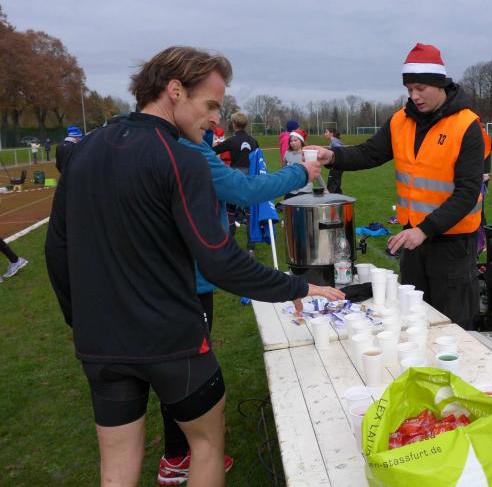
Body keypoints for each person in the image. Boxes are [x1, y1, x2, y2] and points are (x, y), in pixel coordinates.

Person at [44, 45, 343, 487]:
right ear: (175, 90)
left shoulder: (84, 150)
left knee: (116, 468)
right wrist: (299, 288)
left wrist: (81, 320)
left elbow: (57, 251)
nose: (215, 120)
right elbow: (220, 260)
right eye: (210, 105)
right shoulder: (181, 158)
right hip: (170, 339)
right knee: (205, 446)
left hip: (101, 343)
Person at [152, 130, 320, 485]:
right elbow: (242, 190)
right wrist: (301, 172)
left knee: (174, 369)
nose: (215, 120)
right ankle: (180, 455)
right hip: (188, 282)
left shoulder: (167, 143)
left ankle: (179, 448)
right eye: (210, 107)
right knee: (188, 375)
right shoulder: (187, 148)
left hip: (165, 282)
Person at [311, 43, 491, 330]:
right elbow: (370, 152)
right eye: (409, 89)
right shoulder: (400, 120)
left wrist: (424, 230)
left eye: (420, 88)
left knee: (452, 327)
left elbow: (468, 193)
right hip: (413, 242)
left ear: (439, 83)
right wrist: (333, 156)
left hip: (452, 246)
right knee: (414, 318)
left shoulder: (467, 125)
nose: (414, 96)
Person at [213, 113, 260, 236]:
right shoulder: (254, 141)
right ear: (246, 124)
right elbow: (259, 160)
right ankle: (251, 243)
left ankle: (231, 236)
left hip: (234, 177)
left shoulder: (232, 141)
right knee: (249, 209)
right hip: (250, 177)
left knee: (230, 208)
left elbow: (212, 152)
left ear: (234, 124)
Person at [283, 128, 313, 197]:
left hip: (304, 189)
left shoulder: (307, 154)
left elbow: (315, 172)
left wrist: (325, 188)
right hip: (291, 188)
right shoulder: (288, 152)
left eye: (295, 140)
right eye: (291, 141)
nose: (293, 143)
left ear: (301, 141)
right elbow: (284, 167)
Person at [324, 128, 344, 193]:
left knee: (332, 185)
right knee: (336, 184)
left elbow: (341, 149)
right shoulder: (334, 140)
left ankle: (332, 197)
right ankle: (339, 197)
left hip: (336, 165)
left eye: (326, 132)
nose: (325, 134)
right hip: (339, 165)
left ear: (331, 133)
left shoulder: (333, 141)